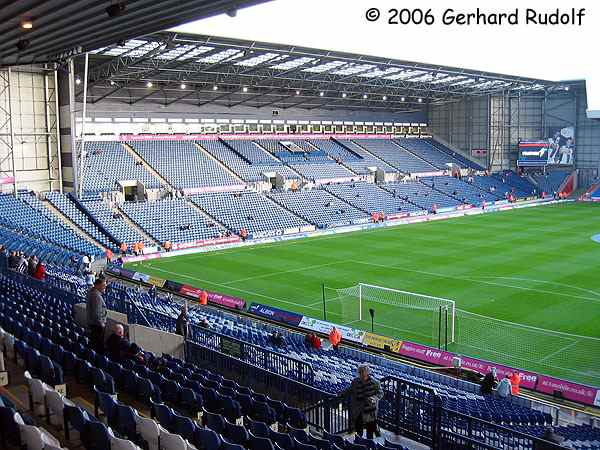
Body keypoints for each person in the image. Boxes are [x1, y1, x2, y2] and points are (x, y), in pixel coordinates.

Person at [339, 364, 383, 440]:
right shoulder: (355, 381)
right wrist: (340, 395)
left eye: (363, 372)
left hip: (370, 412)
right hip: (358, 411)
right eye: (360, 372)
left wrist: (374, 398)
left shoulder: (376, 383)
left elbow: (380, 393)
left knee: (370, 433)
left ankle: (369, 445)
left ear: (367, 372)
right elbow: (349, 390)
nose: (361, 374)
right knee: (359, 432)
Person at [86, 277, 108, 353]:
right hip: (97, 325)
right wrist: (101, 324)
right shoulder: (96, 296)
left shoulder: (92, 292)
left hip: (93, 323)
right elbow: (96, 313)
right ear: (98, 285)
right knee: (97, 345)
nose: (105, 287)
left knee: (93, 342)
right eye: (103, 285)